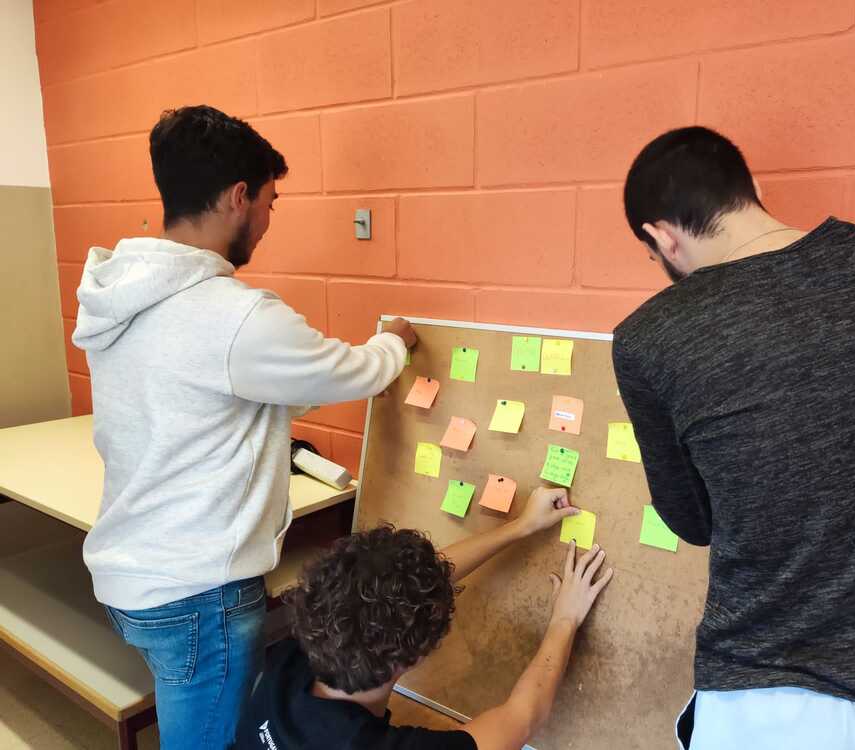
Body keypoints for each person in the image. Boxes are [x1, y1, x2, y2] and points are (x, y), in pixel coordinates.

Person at [613, 126, 855, 750]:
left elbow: (693, 522)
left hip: (772, 697)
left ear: (662, 237)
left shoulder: (651, 337)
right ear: (751, 188)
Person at [72, 105, 417, 749]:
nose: (267, 220)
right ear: (239, 197)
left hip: (130, 570)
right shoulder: (235, 316)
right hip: (198, 594)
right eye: (269, 202)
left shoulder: (119, 294)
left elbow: (209, 395)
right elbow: (354, 372)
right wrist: (394, 341)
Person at [234, 487, 614, 750]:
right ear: (414, 658)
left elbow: (414, 589)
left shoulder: (294, 653)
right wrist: (565, 618)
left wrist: (521, 526)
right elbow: (523, 717)